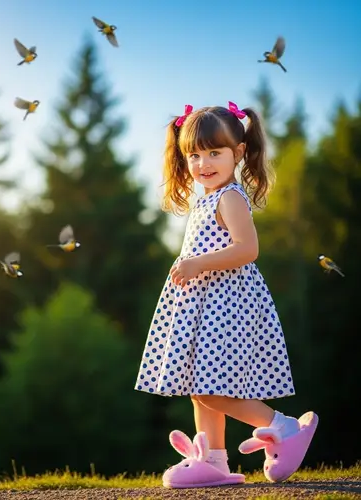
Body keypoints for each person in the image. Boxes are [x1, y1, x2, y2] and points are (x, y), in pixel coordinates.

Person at [134, 102, 318, 488]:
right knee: (199, 390)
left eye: (214, 152)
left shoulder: (230, 197)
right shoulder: (205, 199)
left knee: (212, 390)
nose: (204, 163)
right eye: (194, 155)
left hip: (227, 305)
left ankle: (282, 427)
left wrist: (198, 264)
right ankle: (214, 461)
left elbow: (247, 249)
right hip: (205, 305)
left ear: (237, 153)